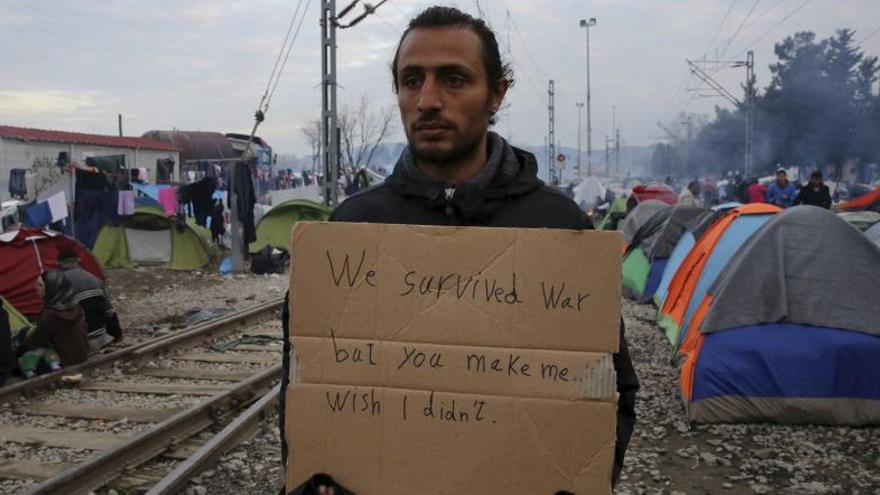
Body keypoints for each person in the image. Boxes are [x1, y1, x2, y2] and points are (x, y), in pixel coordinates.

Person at [282, 6, 638, 492]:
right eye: (412, 81)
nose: (428, 100)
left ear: (496, 94)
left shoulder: (560, 228)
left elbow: (612, 390)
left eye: (453, 80)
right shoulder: (351, 229)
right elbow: (303, 382)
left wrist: (581, 477)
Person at [16, 270, 89, 376]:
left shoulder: (52, 314)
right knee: (24, 332)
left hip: (65, 360)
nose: (35, 288)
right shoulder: (73, 305)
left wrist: (16, 353)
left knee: (18, 365)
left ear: (50, 289)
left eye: (40, 285)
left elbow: (35, 340)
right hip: (81, 354)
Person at [58, 250, 122, 351]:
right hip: (103, 337)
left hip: (80, 342)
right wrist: (117, 335)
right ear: (78, 262)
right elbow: (109, 312)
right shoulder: (95, 279)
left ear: (60, 264)